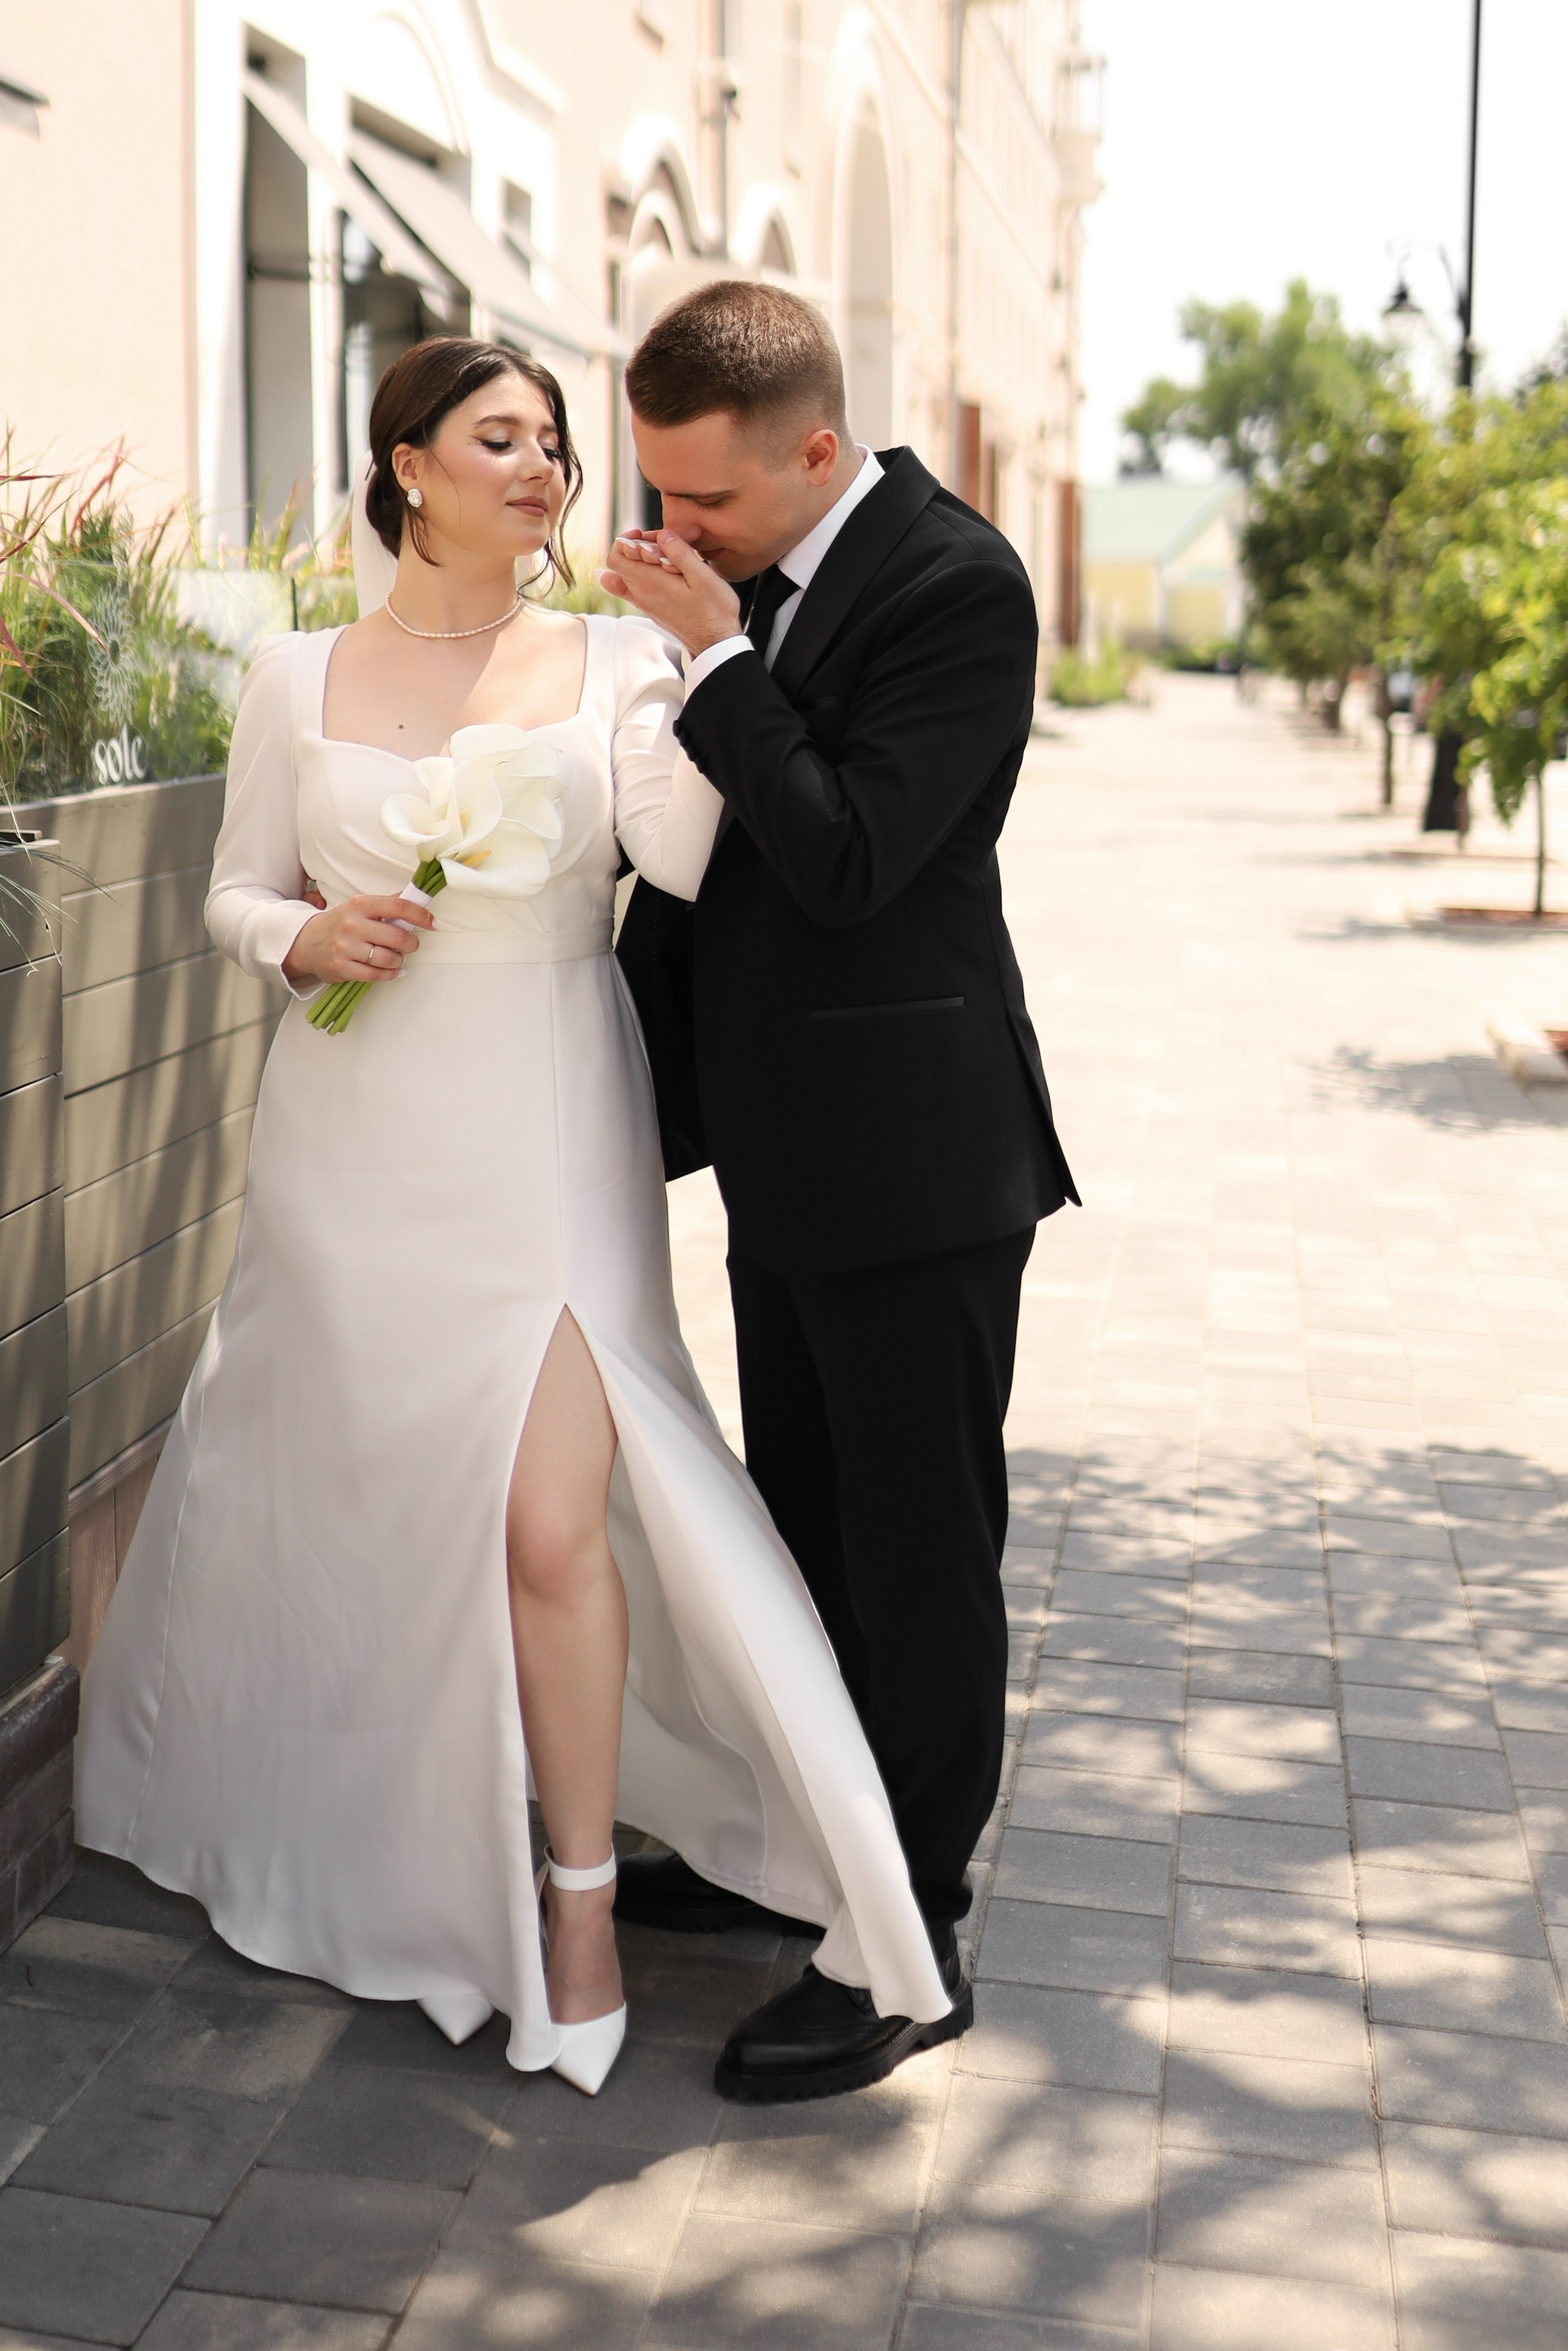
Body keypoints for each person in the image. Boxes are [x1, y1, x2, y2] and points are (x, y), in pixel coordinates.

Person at [76, 335, 957, 2103]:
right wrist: (300, 938)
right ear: (406, 465)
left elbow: (697, 864)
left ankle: (575, 1904)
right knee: (394, 1502)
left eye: (554, 443)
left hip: (551, 1107)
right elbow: (234, 888)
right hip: (354, 1129)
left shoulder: (617, 658)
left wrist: (707, 666)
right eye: (502, 438)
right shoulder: (290, 670)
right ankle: (396, 1843)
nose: (543, 467)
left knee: (556, 1522)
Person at [604, 279, 1077, 2102]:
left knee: (916, 1564)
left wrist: (716, 668)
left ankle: (910, 1943)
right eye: (653, 496)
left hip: (918, 1170)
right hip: (785, 1162)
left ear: (817, 450)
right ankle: (801, 1858)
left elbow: (850, 855)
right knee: (796, 1541)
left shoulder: (958, 586)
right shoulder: (751, 569)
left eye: (702, 502)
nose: (669, 536)